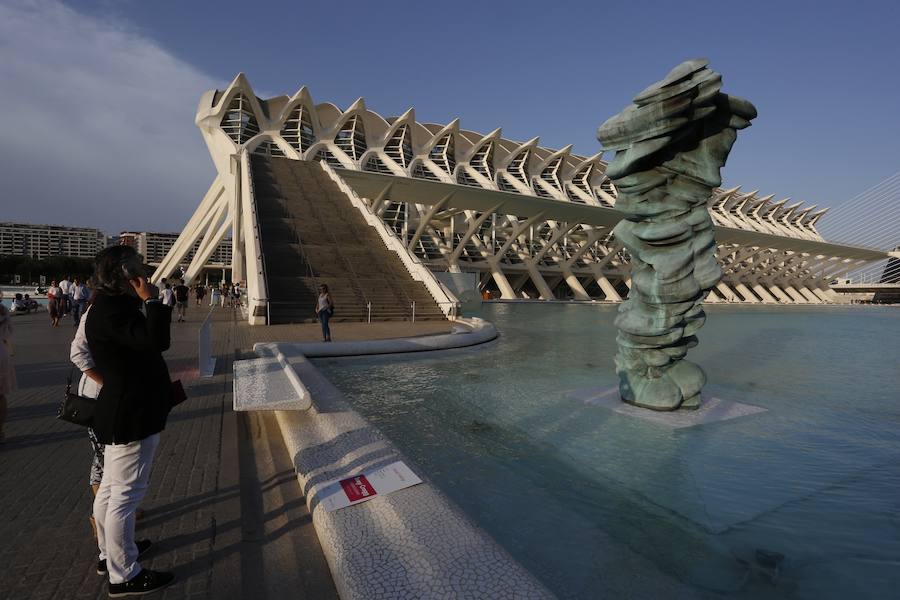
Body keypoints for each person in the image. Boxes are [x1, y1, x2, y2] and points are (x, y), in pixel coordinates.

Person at [86, 246, 175, 595]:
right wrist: (152, 302)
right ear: (124, 274)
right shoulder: (115, 312)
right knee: (125, 495)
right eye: (138, 267)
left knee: (110, 489)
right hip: (131, 413)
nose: (145, 271)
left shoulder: (108, 307)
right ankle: (124, 574)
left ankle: (111, 555)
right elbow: (157, 341)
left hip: (122, 409)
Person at [0, 291, 16, 443]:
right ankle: (0, 432)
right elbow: (9, 333)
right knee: (1, 395)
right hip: (2, 354)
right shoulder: (3, 310)